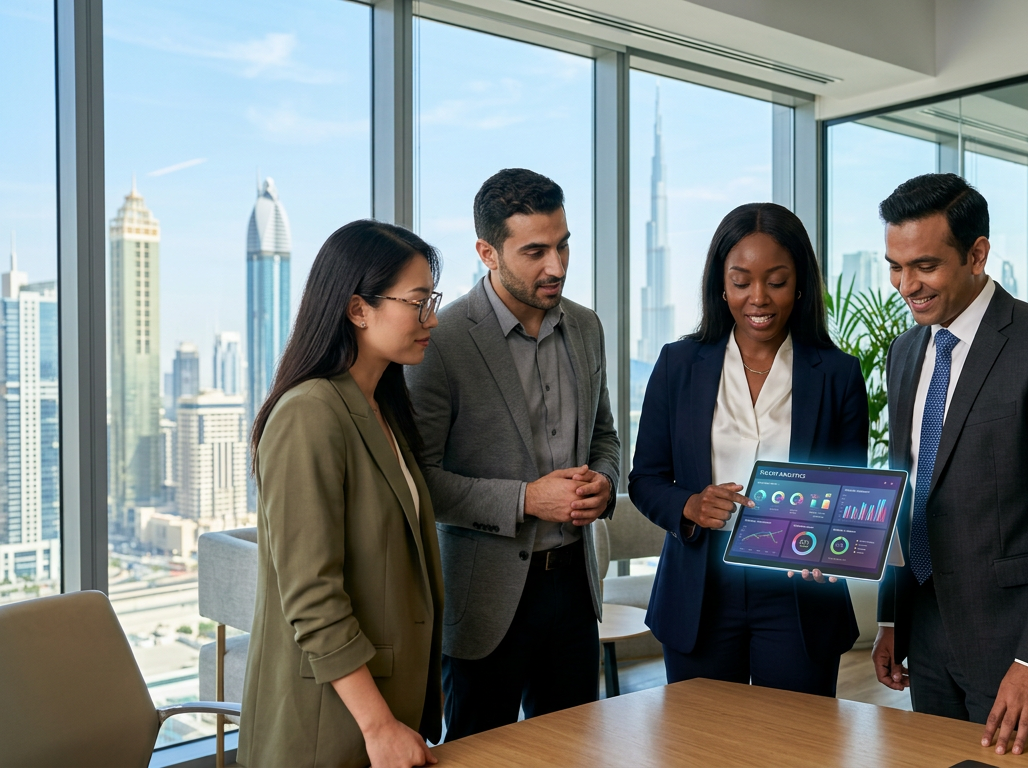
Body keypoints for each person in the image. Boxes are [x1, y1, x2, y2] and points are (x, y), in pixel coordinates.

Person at [871, 174, 1028, 756]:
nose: (906, 285)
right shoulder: (905, 351)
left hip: (1014, 637)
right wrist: (890, 618)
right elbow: (909, 493)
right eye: (895, 267)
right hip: (926, 625)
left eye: (925, 266)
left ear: (976, 254)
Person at [406, 168, 620, 739]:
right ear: (487, 253)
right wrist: (526, 500)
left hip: (575, 589)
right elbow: (419, 482)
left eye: (563, 245)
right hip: (484, 601)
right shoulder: (440, 341)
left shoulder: (587, 327)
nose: (557, 266)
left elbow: (605, 436)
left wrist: (603, 481)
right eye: (535, 252)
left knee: (574, 750)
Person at [628, 202, 868, 696]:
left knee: (796, 735)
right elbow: (645, 479)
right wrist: (690, 505)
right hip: (700, 589)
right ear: (721, 284)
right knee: (702, 735)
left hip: (799, 592)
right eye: (741, 281)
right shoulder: (678, 365)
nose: (758, 298)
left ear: (799, 284)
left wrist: (831, 543)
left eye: (776, 281)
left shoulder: (838, 374)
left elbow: (850, 490)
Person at [238, 220, 445, 768]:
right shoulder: (309, 413)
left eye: (432, 301)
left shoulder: (380, 408)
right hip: (328, 725)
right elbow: (312, 597)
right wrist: (379, 725)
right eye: (418, 303)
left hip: (384, 711)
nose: (432, 319)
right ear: (358, 309)